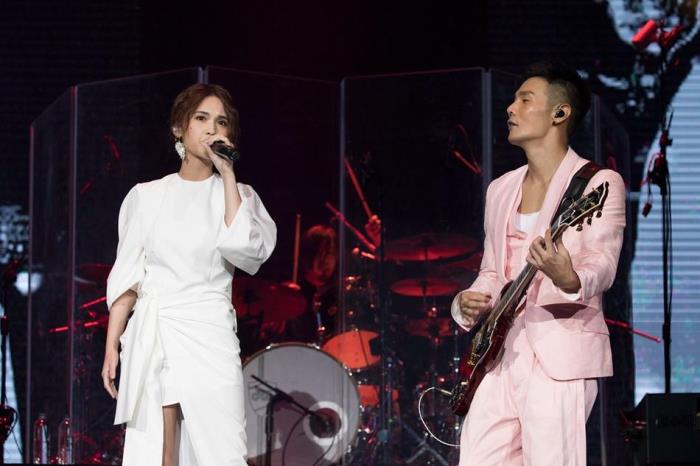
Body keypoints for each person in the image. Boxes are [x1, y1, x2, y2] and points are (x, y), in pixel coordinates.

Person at [451, 61, 626, 465]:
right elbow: (492, 271)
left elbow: (602, 262)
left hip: (559, 349)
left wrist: (570, 277)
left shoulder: (598, 183)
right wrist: (469, 301)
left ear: (559, 113)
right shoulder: (501, 188)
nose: (511, 108)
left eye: (525, 100)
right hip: (500, 352)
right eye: (514, 100)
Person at [100, 83, 276, 466]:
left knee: (225, 453)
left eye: (221, 122)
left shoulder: (240, 196)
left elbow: (246, 251)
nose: (212, 129)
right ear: (179, 128)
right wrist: (112, 344)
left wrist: (227, 175)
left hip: (210, 333)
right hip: (157, 331)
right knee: (161, 455)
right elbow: (128, 277)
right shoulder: (147, 197)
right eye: (201, 118)